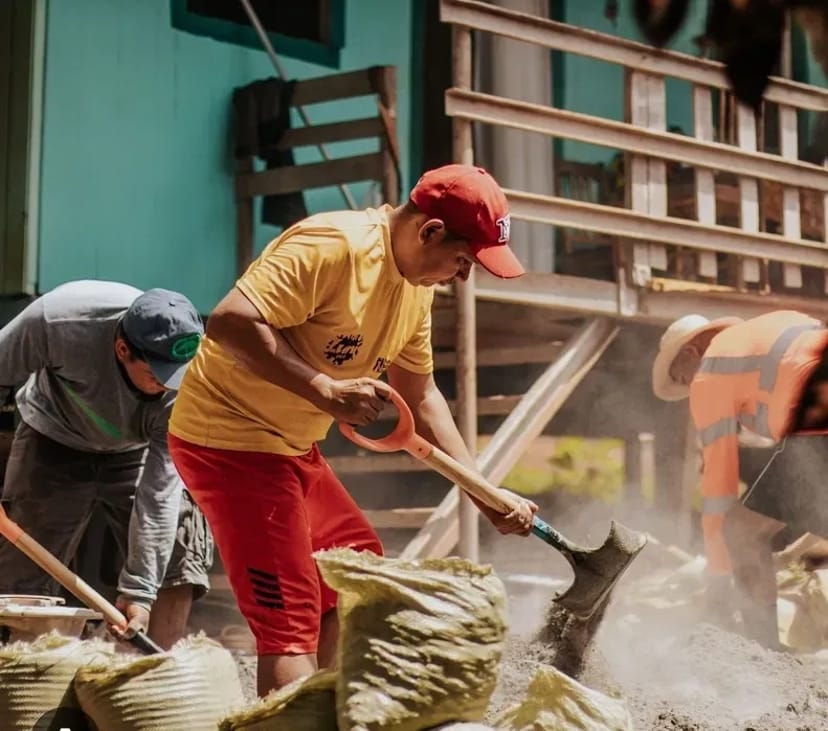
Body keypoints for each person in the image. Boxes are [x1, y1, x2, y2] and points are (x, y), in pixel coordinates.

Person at [168, 163, 539, 695]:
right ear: (429, 231)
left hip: (292, 445)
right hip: (228, 441)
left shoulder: (417, 288)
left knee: (356, 572)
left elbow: (423, 394)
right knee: (291, 616)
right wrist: (322, 388)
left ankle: (332, 709)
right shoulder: (331, 246)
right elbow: (228, 321)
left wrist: (479, 488)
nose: (465, 277)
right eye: (463, 260)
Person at [0, 280, 213, 648]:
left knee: (179, 546)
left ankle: (153, 678)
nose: (169, 388)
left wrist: (140, 592)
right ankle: (22, 687)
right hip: (53, 440)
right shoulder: (59, 321)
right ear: (122, 349)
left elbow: (158, 496)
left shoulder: (188, 387)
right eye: (157, 376)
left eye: (177, 375)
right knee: (21, 576)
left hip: (137, 451)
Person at [651, 310, 828, 648]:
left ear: (691, 352)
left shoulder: (710, 373)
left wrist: (718, 581)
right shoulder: (774, 325)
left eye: (682, 379)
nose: (690, 389)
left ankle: (763, 655)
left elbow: (718, 491)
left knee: (740, 531)